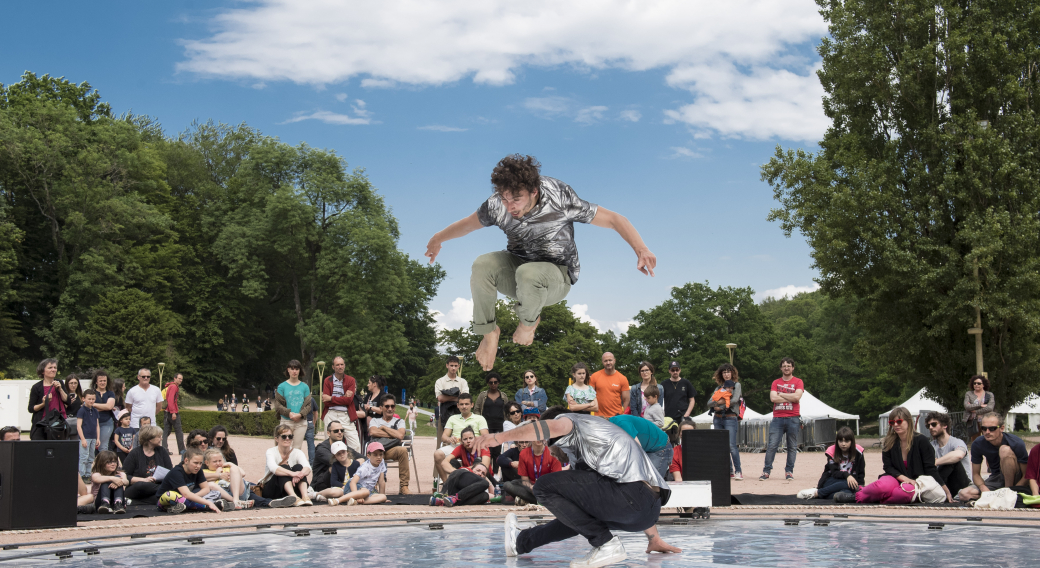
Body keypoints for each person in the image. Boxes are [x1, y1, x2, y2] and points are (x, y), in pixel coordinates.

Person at [425, 154, 657, 371]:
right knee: (482, 265)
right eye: (505, 199)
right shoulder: (497, 204)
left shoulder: (559, 196)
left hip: (556, 276)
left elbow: (615, 220)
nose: (510, 207)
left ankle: (528, 324)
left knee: (529, 274)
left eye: (516, 199)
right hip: (517, 267)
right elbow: (467, 224)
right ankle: (489, 333)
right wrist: (437, 238)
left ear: (534, 191)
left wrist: (641, 249)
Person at [476, 406, 680, 565]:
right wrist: (523, 541)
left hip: (632, 496)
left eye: (551, 446)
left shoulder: (573, 420)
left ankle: (606, 544)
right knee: (579, 515)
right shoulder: (588, 451)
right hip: (645, 513)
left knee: (543, 486)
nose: (553, 452)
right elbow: (574, 521)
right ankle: (522, 541)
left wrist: (499, 437)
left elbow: (552, 427)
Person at [844, 406, 938, 504]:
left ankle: (876, 499)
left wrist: (944, 489)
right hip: (895, 477)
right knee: (881, 487)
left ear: (908, 421)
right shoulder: (888, 442)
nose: (896, 425)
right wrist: (903, 478)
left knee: (904, 493)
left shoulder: (921, 440)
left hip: (916, 481)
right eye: (892, 422)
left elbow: (930, 468)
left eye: (899, 421)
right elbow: (888, 467)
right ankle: (858, 496)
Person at [956, 412, 1030, 501]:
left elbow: (1027, 475)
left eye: (992, 428)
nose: (987, 432)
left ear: (1002, 428)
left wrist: (1014, 490)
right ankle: (998, 497)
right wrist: (983, 488)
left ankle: (1007, 492)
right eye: (984, 428)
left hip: (1016, 480)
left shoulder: (1016, 443)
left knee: (1004, 450)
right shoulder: (978, 443)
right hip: (997, 478)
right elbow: (975, 474)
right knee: (964, 494)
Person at [761, 357, 803, 481]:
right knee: (772, 445)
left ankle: (789, 471)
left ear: (793, 368)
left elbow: (797, 398)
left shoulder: (798, 381)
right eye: (784, 366)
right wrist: (791, 396)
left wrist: (781, 394)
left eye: (789, 366)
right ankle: (766, 471)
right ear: (781, 368)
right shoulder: (775, 382)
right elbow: (773, 399)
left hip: (793, 417)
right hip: (777, 418)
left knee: (792, 446)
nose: (786, 368)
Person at [797, 427, 864, 501]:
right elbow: (834, 473)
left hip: (850, 484)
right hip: (831, 480)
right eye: (840, 441)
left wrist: (860, 487)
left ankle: (827, 495)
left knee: (845, 494)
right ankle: (817, 493)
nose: (843, 444)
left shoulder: (858, 452)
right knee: (846, 483)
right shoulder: (832, 451)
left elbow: (861, 472)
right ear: (837, 441)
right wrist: (847, 476)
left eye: (846, 441)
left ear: (852, 441)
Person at [156, 448, 229, 513]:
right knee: (170, 495)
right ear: (186, 460)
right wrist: (207, 502)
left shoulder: (198, 470)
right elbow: (186, 494)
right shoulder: (176, 472)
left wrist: (194, 497)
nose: (198, 466)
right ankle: (206, 506)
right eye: (195, 463)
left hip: (187, 497)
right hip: (166, 500)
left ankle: (184, 507)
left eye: (200, 463)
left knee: (216, 493)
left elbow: (206, 489)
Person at [259, 423, 313, 506]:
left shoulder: (297, 452)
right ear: (277, 439)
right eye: (284, 436)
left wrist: (299, 474)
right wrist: (292, 473)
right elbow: (274, 468)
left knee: (299, 467)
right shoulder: (271, 451)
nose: (287, 439)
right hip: (273, 490)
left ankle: (305, 497)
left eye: (290, 436)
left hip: (293, 485)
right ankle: (294, 498)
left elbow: (307, 467)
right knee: (284, 468)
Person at [367, 393, 411, 494]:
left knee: (403, 450)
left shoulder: (400, 421)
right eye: (387, 406)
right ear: (381, 408)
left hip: (391, 449)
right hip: (377, 451)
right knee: (371, 453)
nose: (390, 408)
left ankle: (404, 486)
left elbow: (400, 436)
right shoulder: (375, 420)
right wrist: (392, 434)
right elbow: (373, 432)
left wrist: (383, 428)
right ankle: (373, 486)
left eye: (392, 406)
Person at [707, 363, 742, 480]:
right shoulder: (718, 388)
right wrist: (720, 403)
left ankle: (738, 471)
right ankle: (728, 470)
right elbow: (709, 403)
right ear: (721, 374)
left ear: (732, 373)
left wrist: (720, 404)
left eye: (728, 371)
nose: (726, 374)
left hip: (730, 417)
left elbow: (735, 399)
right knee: (721, 446)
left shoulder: (736, 385)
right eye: (724, 372)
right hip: (717, 418)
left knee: (731, 445)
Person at [609, 414, 672, 479]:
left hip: (660, 448)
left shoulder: (621, 423)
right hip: (648, 448)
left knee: (652, 484)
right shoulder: (613, 425)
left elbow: (637, 449)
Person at [502, 438, 562, 505]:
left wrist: (540, 488)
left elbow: (556, 480)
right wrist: (531, 487)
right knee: (508, 485)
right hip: (531, 487)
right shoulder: (523, 454)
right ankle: (538, 500)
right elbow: (525, 480)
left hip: (547, 488)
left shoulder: (553, 453)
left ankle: (530, 500)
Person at [926, 412, 972, 500]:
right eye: (929, 426)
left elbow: (958, 455)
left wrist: (935, 462)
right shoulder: (930, 446)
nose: (931, 428)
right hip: (944, 483)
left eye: (934, 424)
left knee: (952, 462)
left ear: (945, 425)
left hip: (962, 484)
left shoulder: (957, 442)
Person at [321, 356, 362, 453]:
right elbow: (325, 402)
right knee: (330, 444)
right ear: (333, 367)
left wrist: (331, 398)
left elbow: (348, 401)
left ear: (344, 366)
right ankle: (331, 467)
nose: (340, 367)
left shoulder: (351, 380)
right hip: (331, 413)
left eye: (342, 364)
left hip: (346, 415)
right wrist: (343, 397)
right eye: (337, 365)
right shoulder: (327, 380)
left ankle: (354, 466)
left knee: (355, 445)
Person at [123, 426, 174, 501]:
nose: (161, 438)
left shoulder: (162, 451)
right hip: (139, 487)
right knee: (141, 485)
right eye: (159, 437)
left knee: (159, 498)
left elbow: (170, 471)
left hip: (156, 487)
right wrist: (144, 480)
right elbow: (125, 475)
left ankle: (141, 501)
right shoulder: (135, 453)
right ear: (150, 439)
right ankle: (167, 491)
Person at [274, 360, 313, 452]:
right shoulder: (282, 386)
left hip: (301, 422)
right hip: (286, 421)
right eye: (292, 369)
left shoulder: (305, 387)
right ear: (288, 370)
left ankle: (294, 466)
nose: (294, 371)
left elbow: (308, 405)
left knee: (297, 449)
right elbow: (278, 405)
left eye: (297, 369)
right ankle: (282, 465)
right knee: (283, 447)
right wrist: (289, 413)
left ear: (300, 370)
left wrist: (300, 415)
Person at [28, 358, 66, 440]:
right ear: (42, 371)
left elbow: (68, 401)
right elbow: (31, 408)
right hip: (41, 423)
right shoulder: (36, 387)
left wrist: (60, 389)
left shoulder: (60, 383)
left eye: (55, 367)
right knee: (39, 449)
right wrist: (43, 404)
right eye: (50, 367)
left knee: (57, 450)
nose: (53, 370)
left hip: (57, 423)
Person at [319, 441, 366, 505]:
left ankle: (350, 498)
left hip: (354, 487)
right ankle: (317, 494)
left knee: (364, 491)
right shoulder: (335, 465)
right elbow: (333, 481)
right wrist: (343, 486)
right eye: (338, 453)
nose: (341, 455)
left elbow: (359, 479)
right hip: (341, 489)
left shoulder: (356, 463)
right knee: (334, 492)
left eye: (343, 452)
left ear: (347, 452)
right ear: (335, 456)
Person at [430, 462, 495, 507]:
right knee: (485, 483)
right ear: (472, 469)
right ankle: (454, 498)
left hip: (455, 493)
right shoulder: (467, 471)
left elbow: (492, 495)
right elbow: (456, 475)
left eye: (483, 473)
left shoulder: (478, 485)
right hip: (456, 482)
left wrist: (485, 479)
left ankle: (442, 501)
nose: (480, 473)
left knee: (485, 496)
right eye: (478, 470)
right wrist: (485, 480)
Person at [312, 420, 350, 491]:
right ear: (328, 433)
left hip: (338, 483)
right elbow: (336, 461)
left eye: (341, 430)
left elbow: (361, 457)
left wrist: (360, 460)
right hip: (321, 484)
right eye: (336, 431)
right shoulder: (321, 448)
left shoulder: (342, 446)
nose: (340, 432)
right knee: (335, 466)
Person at [589, 352, 629, 418]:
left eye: (610, 360)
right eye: (605, 361)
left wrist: (624, 415)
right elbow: (590, 396)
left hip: (617, 416)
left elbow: (626, 400)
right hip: (599, 417)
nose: (608, 363)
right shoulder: (595, 376)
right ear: (602, 362)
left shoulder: (622, 378)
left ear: (614, 360)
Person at [124, 368, 164, 433]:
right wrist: (138, 413)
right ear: (138, 377)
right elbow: (128, 407)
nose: (146, 378)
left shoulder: (156, 390)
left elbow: (159, 407)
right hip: (136, 424)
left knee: (151, 442)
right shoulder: (132, 391)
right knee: (136, 442)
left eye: (148, 376)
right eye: (143, 376)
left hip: (151, 424)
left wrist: (150, 415)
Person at [434, 356, 469, 430]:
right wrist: (458, 397)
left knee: (460, 439)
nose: (453, 368)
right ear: (447, 365)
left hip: (460, 416)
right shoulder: (440, 381)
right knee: (444, 440)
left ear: (458, 366)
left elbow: (465, 399)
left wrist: (447, 397)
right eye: (451, 365)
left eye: (455, 366)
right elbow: (440, 398)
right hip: (443, 416)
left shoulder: (463, 382)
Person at [661, 361, 696, 426]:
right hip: (668, 417)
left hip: (683, 416)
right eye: (673, 370)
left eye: (677, 370)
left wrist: (687, 414)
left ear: (680, 370)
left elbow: (692, 400)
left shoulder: (686, 383)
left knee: (684, 435)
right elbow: (660, 400)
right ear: (669, 371)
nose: (675, 372)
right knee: (669, 435)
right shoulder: (664, 384)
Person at [963, 375, 995, 443]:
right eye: (974, 383)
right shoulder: (969, 394)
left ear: (983, 385)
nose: (976, 385)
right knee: (975, 441)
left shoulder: (989, 394)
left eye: (979, 383)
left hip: (986, 421)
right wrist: (981, 405)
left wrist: (975, 411)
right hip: (973, 421)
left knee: (988, 440)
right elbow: (967, 406)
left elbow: (990, 408)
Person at [90, 370, 117, 452]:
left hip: (106, 422)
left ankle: (103, 464)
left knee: (103, 447)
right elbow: (87, 406)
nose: (103, 382)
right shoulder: (91, 392)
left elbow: (109, 406)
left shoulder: (110, 393)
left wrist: (93, 404)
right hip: (92, 422)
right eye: (100, 381)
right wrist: (105, 407)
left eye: (104, 381)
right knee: (91, 447)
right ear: (96, 382)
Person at [76, 390, 100, 478]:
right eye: (89, 399)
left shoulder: (95, 411)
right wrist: (82, 439)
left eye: (93, 399)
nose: (91, 401)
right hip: (85, 437)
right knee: (83, 457)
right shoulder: (81, 411)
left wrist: (98, 438)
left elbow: (97, 425)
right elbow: (79, 426)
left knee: (91, 457)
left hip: (93, 437)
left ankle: (88, 474)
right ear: (83, 399)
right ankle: (82, 476)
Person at [162, 373, 185, 455]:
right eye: (179, 378)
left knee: (166, 432)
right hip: (172, 412)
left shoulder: (170, 386)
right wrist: (173, 412)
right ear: (174, 378)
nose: (180, 380)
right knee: (179, 431)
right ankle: (182, 450)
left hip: (167, 412)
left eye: (181, 379)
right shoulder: (174, 387)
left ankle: (164, 449)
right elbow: (171, 400)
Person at [64, 375, 83, 440]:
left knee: (75, 442)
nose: (73, 385)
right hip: (66, 419)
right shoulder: (64, 395)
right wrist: (67, 403)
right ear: (67, 384)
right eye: (71, 383)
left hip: (77, 420)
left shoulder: (80, 396)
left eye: (75, 383)